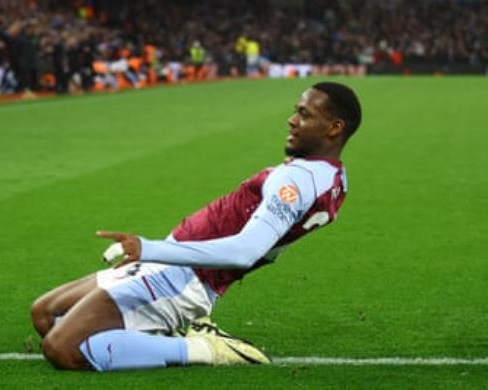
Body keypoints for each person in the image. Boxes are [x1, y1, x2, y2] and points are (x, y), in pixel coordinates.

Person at [31, 81, 362, 371]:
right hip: (173, 264)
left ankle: (203, 349)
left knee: (61, 348)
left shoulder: (298, 179)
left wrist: (148, 249)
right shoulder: (333, 177)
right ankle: (160, 330)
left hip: (184, 278)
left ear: (334, 128)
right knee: (45, 314)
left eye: (305, 114)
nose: (292, 120)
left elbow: (245, 251)